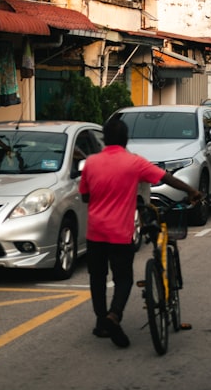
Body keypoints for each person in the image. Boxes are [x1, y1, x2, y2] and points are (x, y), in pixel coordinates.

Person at [79, 117, 202, 348]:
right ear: (126, 140)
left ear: (104, 139)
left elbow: (85, 196)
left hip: (95, 232)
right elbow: (165, 178)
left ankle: (101, 322)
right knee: (123, 278)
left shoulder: (91, 163)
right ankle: (114, 315)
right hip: (120, 233)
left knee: (97, 278)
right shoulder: (134, 162)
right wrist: (191, 190)